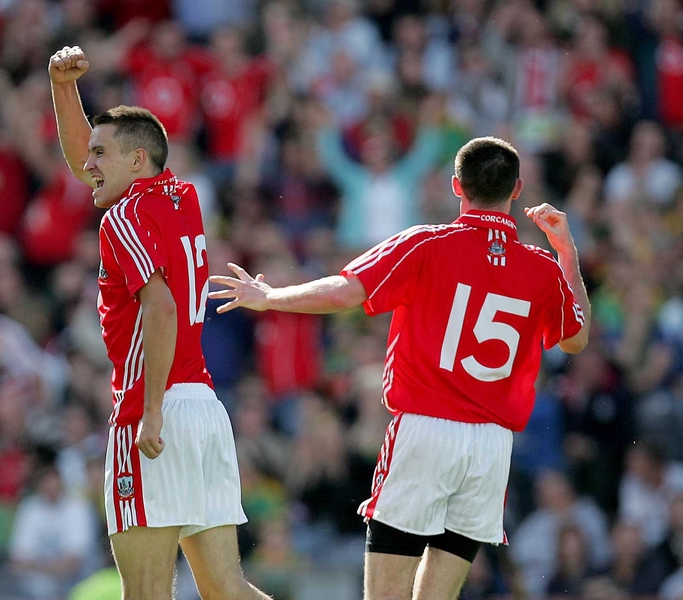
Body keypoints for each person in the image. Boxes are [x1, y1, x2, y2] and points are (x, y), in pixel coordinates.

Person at [210, 136, 591, 600]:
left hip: (426, 430)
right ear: (517, 189)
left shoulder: (426, 243)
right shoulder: (543, 266)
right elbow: (576, 338)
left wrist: (270, 297)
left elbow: (344, 292)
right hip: (492, 447)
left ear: (457, 186)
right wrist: (567, 252)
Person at [48, 46, 271, 600]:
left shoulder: (122, 219)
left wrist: (149, 412)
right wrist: (64, 90)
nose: (88, 164)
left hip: (154, 410)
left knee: (146, 593)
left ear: (137, 162)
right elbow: (90, 165)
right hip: (204, 409)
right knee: (227, 589)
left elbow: (161, 306)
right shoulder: (182, 195)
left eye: (101, 154)